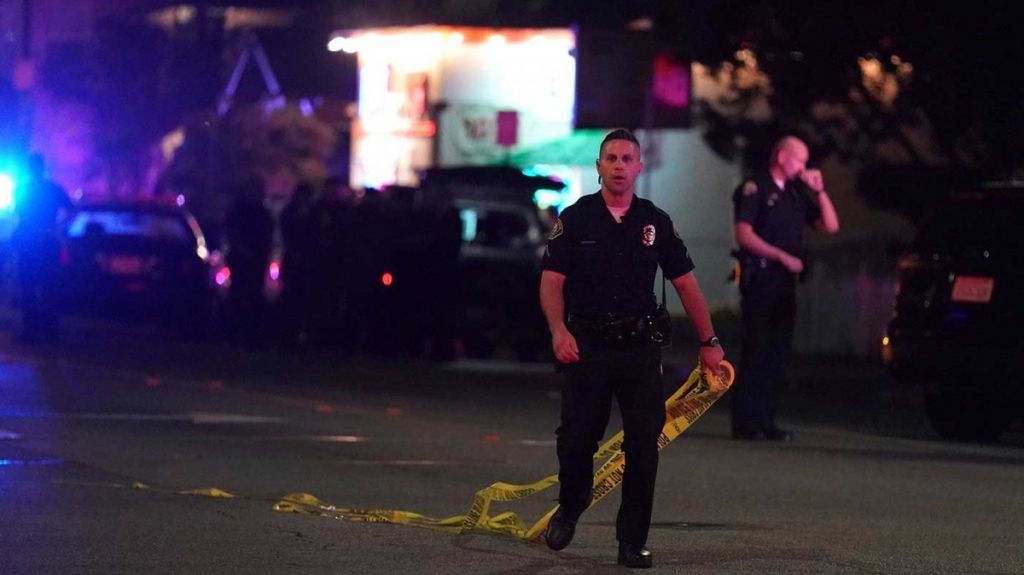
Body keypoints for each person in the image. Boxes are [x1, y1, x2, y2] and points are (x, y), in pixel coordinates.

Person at [539, 129, 725, 569]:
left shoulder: (655, 222)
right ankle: (571, 504)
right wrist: (558, 331)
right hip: (588, 348)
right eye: (611, 158)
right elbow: (551, 283)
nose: (619, 166)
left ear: (639, 167)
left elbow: (686, 284)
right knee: (577, 439)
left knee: (643, 446)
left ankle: (631, 541)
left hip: (640, 350)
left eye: (627, 158)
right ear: (599, 167)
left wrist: (709, 342)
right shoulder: (576, 218)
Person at [730, 136, 840, 441]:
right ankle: (746, 421)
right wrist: (781, 256)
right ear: (782, 157)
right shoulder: (755, 188)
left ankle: (767, 419)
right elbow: (743, 233)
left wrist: (819, 191)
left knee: (778, 352)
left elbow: (830, 225)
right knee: (758, 348)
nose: (803, 167)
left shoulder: (795, 194)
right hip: (761, 279)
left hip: (785, 284)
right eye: (799, 160)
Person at [11, 154, 73, 344]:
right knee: (48, 286)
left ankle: (31, 330)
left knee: (29, 286)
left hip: (30, 240)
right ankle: (49, 331)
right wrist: (59, 228)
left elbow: (18, 214)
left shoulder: (23, 189)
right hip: (46, 240)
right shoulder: (52, 188)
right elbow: (72, 210)